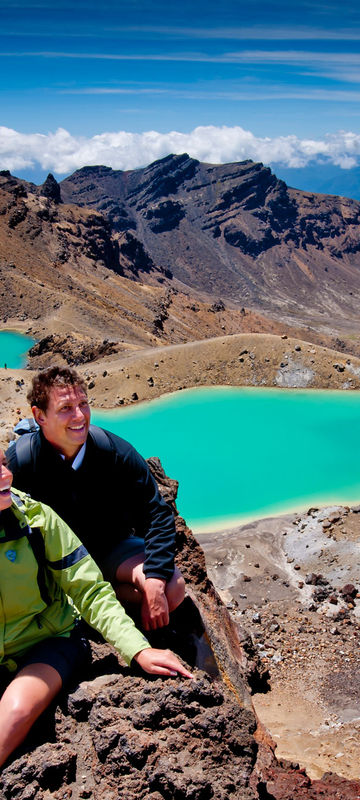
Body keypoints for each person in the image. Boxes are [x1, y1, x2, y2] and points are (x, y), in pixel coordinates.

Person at [0, 449, 193, 769]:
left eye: (3, 465)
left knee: (15, 712)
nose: (6, 475)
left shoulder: (36, 518)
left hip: (48, 642)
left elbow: (89, 590)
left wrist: (138, 650)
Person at [7, 366, 185, 634]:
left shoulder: (115, 453)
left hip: (107, 550)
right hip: (51, 566)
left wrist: (155, 581)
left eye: (83, 404)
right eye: (66, 408)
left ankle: (100, 600)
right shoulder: (20, 462)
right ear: (39, 415)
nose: (79, 416)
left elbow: (156, 515)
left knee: (172, 588)